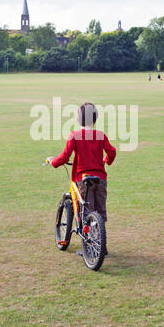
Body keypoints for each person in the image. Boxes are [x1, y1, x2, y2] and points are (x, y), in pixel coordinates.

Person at [47, 102, 116, 255]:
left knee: (86, 212)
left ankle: (89, 248)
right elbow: (112, 152)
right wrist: (106, 161)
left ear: (78, 119)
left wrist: (53, 162)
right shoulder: (100, 135)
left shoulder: (74, 135)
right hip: (100, 179)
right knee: (100, 212)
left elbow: (65, 157)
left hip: (83, 178)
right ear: (95, 118)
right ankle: (101, 246)